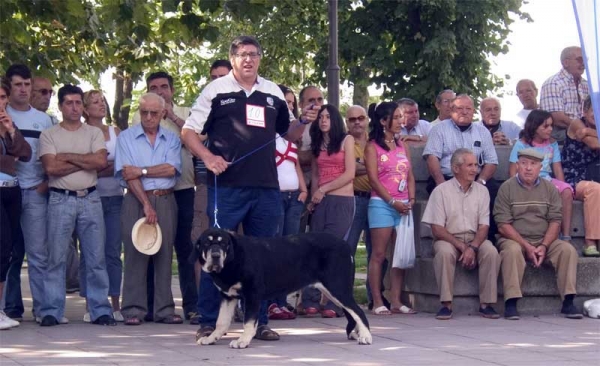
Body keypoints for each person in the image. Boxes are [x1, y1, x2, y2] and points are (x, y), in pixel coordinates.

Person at [181, 35, 316, 342]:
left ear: (260, 58)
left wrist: (304, 121)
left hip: (267, 188)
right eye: (242, 54)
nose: (248, 59)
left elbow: (290, 133)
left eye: (253, 54)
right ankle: (209, 321)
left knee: (265, 257)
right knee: (212, 254)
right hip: (227, 187)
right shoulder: (216, 90)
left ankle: (260, 322)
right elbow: (189, 132)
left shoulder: (272, 92)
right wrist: (208, 157)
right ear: (232, 59)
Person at [38, 84, 115, 326]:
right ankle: (51, 310)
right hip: (60, 199)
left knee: (95, 257)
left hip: (90, 198)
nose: (74, 107)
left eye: (78, 103)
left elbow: (101, 161)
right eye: (69, 103)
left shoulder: (92, 133)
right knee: (56, 257)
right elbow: (51, 168)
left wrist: (67, 156)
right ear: (60, 106)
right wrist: (85, 161)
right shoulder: (49, 135)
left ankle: (100, 310)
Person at [132, 71, 198, 323]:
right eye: (153, 87)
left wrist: (171, 115)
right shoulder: (142, 117)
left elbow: (198, 141)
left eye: (163, 87)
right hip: (152, 192)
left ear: (172, 89)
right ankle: (151, 306)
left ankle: (192, 306)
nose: (159, 91)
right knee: (152, 247)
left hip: (183, 190)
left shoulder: (187, 112)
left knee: (186, 249)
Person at [116, 93, 182, 325]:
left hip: (165, 199)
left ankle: (164, 310)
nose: (149, 117)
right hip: (135, 199)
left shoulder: (172, 139)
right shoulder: (126, 137)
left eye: (154, 113)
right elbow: (127, 174)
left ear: (163, 113)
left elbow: (171, 169)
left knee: (164, 254)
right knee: (135, 254)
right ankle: (133, 310)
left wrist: (142, 171)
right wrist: (145, 203)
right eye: (144, 112)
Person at [494, 148, 582, 320]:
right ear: (517, 165)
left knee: (567, 250)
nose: (528, 168)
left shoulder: (550, 189)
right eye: (524, 163)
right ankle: (511, 302)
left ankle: (569, 301)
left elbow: (556, 221)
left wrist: (543, 246)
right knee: (511, 251)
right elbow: (503, 225)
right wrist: (526, 246)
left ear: (540, 167)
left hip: (544, 240)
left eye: (533, 164)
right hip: (515, 239)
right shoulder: (506, 188)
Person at [421, 148, 500, 320]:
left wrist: (472, 247)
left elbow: (484, 226)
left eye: (476, 165)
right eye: (469, 165)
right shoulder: (441, 191)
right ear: (456, 168)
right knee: (444, 252)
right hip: (448, 238)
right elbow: (437, 229)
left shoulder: (482, 191)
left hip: (475, 239)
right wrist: (463, 247)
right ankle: (446, 304)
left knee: (491, 251)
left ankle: (486, 304)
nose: (475, 170)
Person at [3, 64, 53, 323]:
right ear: (8, 88)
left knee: (37, 253)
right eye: (17, 84)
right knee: (8, 251)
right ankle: (9, 308)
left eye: (26, 84)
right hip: (7, 191)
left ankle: (44, 310)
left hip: (34, 192)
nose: (23, 89)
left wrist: (44, 184)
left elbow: (48, 157)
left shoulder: (44, 120)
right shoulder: (2, 113)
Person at [302, 104, 355, 318]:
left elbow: (350, 173)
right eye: (321, 117)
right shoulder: (317, 143)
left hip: (341, 199)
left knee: (333, 250)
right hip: (321, 200)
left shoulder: (346, 140)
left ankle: (335, 302)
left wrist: (323, 189)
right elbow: (315, 174)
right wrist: (314, 197)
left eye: (327, 117)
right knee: (314, 249)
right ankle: (311, 299)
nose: (323, 120)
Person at [423, 94, 499, 241]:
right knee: (436, 190)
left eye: (468, 108)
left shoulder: (483, 132)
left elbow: (491, 161)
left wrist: (481, 182)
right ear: (451, 110)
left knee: (493, 189)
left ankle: (487, 239)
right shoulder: (439, 129)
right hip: (447, 177)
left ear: (473, 111)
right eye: (459, 108)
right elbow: (431, 157)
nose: (464, 112)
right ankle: (446, 239)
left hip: (475, 177)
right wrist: (442, 184)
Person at [364, 102, 416, 315]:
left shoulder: (403, 145)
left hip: (404, 206)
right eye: (396, 117)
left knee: (400, 254)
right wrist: (392, 202)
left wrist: (411, 199)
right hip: (382, 204)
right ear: (384, 121)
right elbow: (374, 180)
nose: (400, 121)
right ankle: (377, 300)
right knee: (379, 254)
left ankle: (396, 300)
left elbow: (409, 175)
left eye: (400, 117)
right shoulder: (372, 146)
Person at [80, 90, 124, 322]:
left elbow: (122, 165)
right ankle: (91, 304)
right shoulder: (82, 132)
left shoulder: (116, 131)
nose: (101, 105)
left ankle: (115, 302)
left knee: (113, 252)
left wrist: (99, 165)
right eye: (95, 102)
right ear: (85, 109)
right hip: (91, 196)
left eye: (102, 101)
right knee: (90, 253)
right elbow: (84, 167)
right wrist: (104, 165)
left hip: (116, 197)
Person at [267, 85, 306, 321]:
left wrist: (303, 189)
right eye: (285, 102)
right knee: (274, 252)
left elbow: (294, 164)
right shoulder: (268, 134)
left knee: (289, 253)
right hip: (276, 196)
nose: (289, 106)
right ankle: (271, 302)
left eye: (292, 103)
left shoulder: (291, 137)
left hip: (294, 198)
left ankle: (282, 301)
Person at [508, 109, 573, 241]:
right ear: (534, 126)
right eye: (546, 126)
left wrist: (562, 186)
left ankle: (565, 235)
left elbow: (557, 168)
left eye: (551, 126)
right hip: (527, 179)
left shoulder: (552, 144)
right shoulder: (521, 144)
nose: (550, 129)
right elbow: (512, 171)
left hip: (547, 179)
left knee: (566, 191)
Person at [0, 79, 31, 330]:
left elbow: (26, 153)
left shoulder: (9, 124)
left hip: (12, 191)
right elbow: (10, 160)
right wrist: (10, 157)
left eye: (1, 97)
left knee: (8, 251)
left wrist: (10, 132)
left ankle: (0, 310)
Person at [562, 96, 600, 256]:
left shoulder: (591, 129)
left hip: (595, 175)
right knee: (594, 189)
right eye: (594, 111)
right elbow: (594, 144)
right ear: (584, 111)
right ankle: (590, 242)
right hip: (574, 177)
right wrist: (588, 132)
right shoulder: (576, 123)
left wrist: (590, 132)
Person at [540, 46, 590, 143]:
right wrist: (585, 131)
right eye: (580, 59)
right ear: (566, 63)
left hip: (585, 132)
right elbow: (557, 119)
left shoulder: (587, 85)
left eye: (585, 60)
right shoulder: (553, 83)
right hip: (559, 134)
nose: (583, 63)